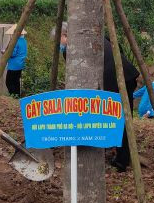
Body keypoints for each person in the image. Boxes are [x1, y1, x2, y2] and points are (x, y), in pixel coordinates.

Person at [55, 23, 140, 172]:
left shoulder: (73, 49)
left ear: (66, 35)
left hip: (117, 80)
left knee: (120, 118)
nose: (59, 45)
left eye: (59, 40)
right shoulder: (96, 37)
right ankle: (115, 150)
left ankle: (122, 160)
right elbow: (118, 48)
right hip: (126, 75)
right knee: (120, 117)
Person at [5, 24, 27, 97]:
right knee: (16, 81)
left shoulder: (15, 42)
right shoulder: (24, 41)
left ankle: (12, 95)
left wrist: (5, 52)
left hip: (13, 65)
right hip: (20, 64)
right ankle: (17, 96)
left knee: (8, 82)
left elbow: (12, 54)